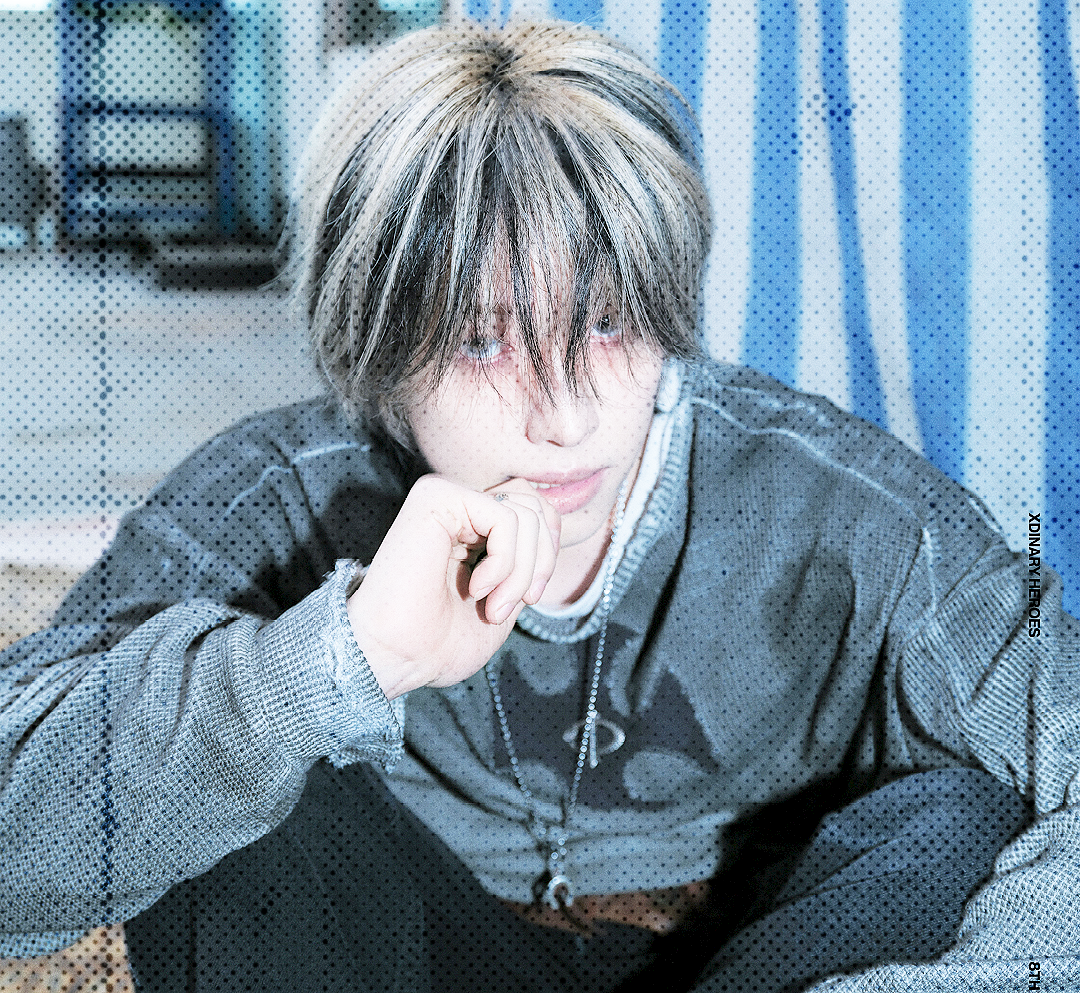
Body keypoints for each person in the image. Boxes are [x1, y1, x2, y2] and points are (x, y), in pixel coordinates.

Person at [1, 19, 1077, 993]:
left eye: (607, 324)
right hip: (410, 953)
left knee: (957, 817)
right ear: (376, 347)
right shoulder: (273, 495)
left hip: (750, 955)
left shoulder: (845, 506)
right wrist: (333, 665)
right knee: (223, 771)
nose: (564, 419)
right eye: (481, 340)